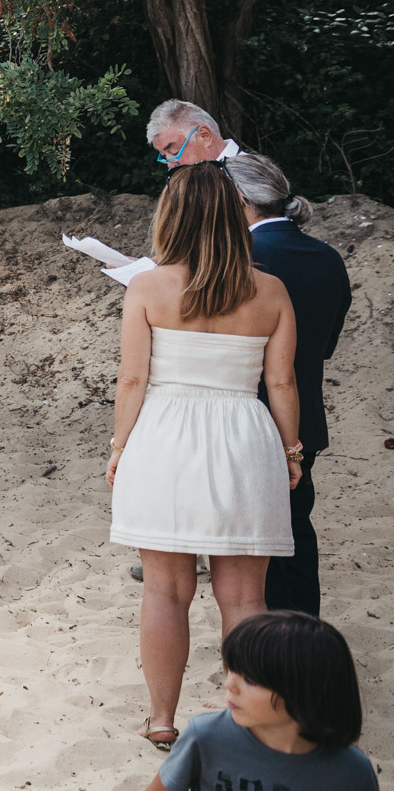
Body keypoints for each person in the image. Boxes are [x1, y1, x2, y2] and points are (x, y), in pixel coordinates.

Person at [108, 162, 300, 750]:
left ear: (174, 216)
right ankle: (250, 720)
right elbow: (283, 383)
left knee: (165, 590)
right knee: (245, 597)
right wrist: (292, 452)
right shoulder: (269, 290)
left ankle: (163, 719)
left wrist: (119, 448)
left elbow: (133, 380)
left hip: (165, 437)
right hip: (244, 437)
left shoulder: (148, 287)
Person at [227, 152, 351, 615]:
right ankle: (305, 645)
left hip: (246, 417)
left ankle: (273, 652)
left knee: (256, 550)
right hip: (306, 420)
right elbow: (325, 347)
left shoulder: (241, 259)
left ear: (239, 201)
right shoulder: (328, 257)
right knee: (296, 532)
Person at [149, 611, 374, 791]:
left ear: (303, 693)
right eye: (232, 671)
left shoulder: (351, 771)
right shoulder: (206, 736)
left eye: (249, 679)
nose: (230, 685)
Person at [147, 98, 241, 169]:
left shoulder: (250, 176)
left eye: (174, 152)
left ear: (205, 136)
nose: (170, 165)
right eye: (164, 156)